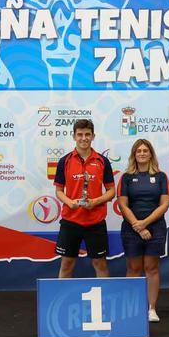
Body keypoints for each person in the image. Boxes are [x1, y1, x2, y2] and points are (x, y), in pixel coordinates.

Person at [53, 119, 116, 278]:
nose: (84, 138)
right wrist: (69, 202)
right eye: (80, 134)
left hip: (95, 222)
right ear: (74, 136)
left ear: (93, 136)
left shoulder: (102, 161)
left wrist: (95, 202)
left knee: (100, 264)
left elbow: (111, 191)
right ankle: (62, 303)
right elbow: (59, 191)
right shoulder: (64, 161)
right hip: (71, 221)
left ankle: (104, 302)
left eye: (87, 134)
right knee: (67, 264)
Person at [117, 139, 169, 322]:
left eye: (145, 150)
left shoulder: (161, 177)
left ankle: (151, 309)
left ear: (151, 154)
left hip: (155, 228)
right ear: (134, 154)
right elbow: (123, 205)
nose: (141, 153)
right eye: (138, 150)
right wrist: (138, 227)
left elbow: (164, 204)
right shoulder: (125, 178)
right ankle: (132, 308)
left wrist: (145, 223)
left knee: (151, 268)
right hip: (132, 229)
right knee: (133, 268)